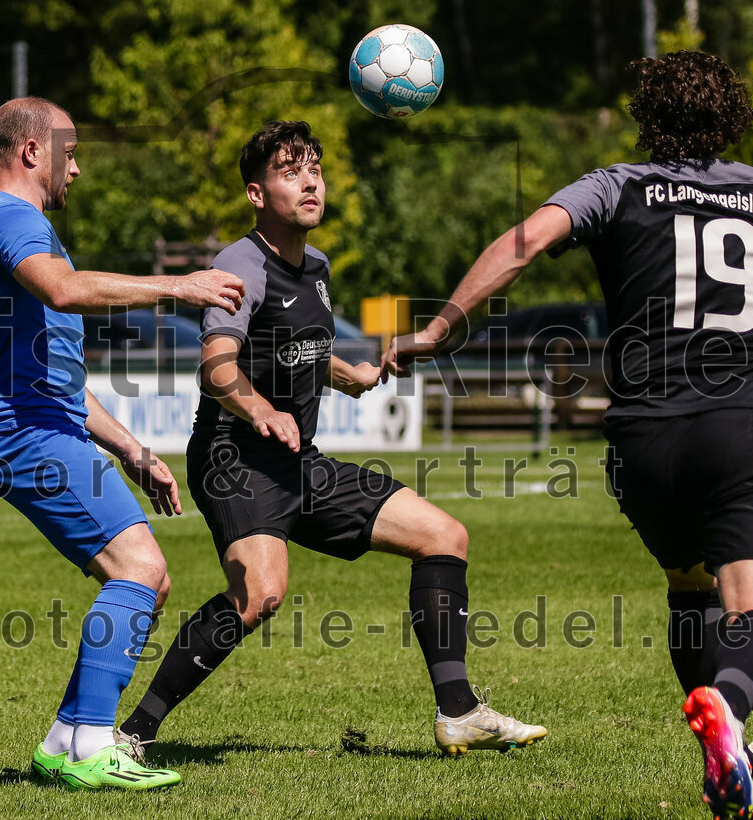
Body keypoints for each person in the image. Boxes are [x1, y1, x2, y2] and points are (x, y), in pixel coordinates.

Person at [382, 51, 753, 820]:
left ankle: (729, 759)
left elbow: (525, 243)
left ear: (647, 116)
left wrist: (439, 328)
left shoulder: (614, 185)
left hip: (644, 439)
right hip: (748, 424)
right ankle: (730, 713)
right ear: (733, 116)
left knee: (692, 584)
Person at [117, 120, 546, 758]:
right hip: (235, 459)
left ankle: (459, 711)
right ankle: (133, 734)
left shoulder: (314, 265)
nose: (311, 180)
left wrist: (353, 374)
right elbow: (216, 364)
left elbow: (299, 349)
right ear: (257, 194)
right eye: (291, 171)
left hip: (296, 460)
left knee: (443, 537)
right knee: (259, 593)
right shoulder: (241, 264)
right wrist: (261, 409)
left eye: (314, 167)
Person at [0, 96, 245, 791]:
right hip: (25, 434)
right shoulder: (9, 218)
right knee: (139, 572)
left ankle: (66, 740)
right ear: (32, 150)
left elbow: (56, 376)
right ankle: (91, 745)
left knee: (148, 574)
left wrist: (132, 449)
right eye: (70, 150)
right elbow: (63, 293)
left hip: (40, 425)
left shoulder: (16, 226)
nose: (77, 167)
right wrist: (177, 286)